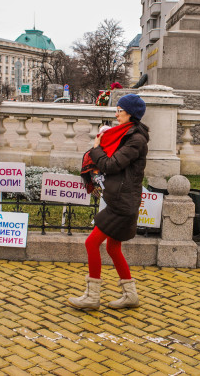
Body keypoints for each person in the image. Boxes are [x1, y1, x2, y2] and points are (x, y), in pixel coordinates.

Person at [68, 94, 149, 310]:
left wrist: (96, 148)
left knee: (91, 242)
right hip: (121, 200)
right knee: (113, 248)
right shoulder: (127, 135)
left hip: (122, 203)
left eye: (120, 110)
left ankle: (92, 297)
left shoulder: (136, 139)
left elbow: (111, 165)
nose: (116, 114)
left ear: (130, 113)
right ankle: (130, 296)